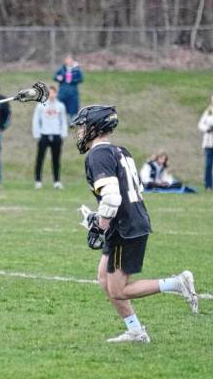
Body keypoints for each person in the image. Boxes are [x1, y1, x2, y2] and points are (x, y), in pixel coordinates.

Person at [71, 104, 198, 343]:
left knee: (118, 289)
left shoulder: (98, 154)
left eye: (81, 126)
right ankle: (136, 331)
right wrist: (98, 220)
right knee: (103, 278)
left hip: (125, 228)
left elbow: (112, 197)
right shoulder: (122, 151)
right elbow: (132, 191)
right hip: (131, 221)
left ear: (94, 127)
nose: (79, 132)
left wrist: (100, 224)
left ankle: (177, 283)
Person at [32, 84, 67, 189]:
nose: (52, 95)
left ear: (56, 94)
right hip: (44, 135)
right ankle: (38, 181)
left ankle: (56, 181)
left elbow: (63, 121)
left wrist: (63, 134)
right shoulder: (41, 105)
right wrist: (37, 134)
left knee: (56, 159)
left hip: (56, 135)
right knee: (40, 159)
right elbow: (36, 120)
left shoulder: (60, 106)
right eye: (50, 93)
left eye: (54, 92)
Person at [198, 93, 213, 191]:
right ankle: (208, 185)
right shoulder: (208, 111)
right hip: (209, 143)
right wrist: (207, 128)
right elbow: (200, 124)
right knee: (208, 165)